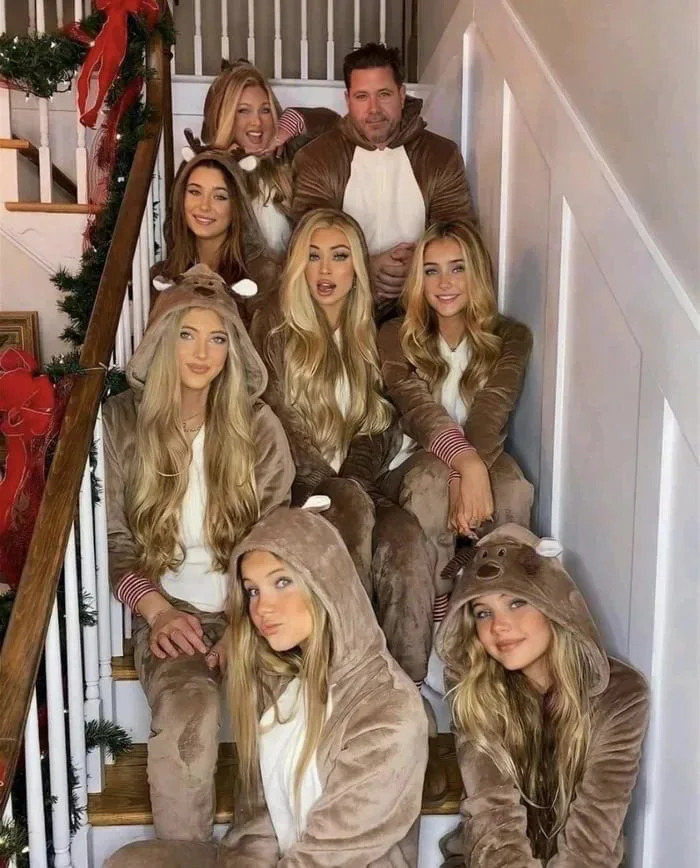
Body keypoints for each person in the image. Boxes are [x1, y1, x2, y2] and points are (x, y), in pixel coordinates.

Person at [104, 506, 429, 868]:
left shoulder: (390, 711)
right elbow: (258, 828)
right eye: (253, 591)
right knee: (131, 862)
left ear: (326, 581)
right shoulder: (281, 682)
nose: (262, 607)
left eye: (282, 582)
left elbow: (326, 858)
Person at [103, 264, 294, 842]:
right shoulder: (122, 422)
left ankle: (265, 848)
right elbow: (114, 541)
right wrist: (157, 611)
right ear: (164, 337)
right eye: (187, 334)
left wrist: (245, 622)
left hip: (251, 607)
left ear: (233, 350)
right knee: (190, 714)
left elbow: (276, 538)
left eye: (218, 338)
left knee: (283, 710)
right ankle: (184, 855)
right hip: (169, 611)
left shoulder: (257, 425)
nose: (202, 352)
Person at [249, 208, 437, 696]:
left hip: (362, 484)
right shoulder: (273, 330)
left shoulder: (374, 335)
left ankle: (404, 692)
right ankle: (341, 683)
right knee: (345, 515)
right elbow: (273, 420)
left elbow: (385, 423)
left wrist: (353, 479)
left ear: (357, 266)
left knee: (406, 540)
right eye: (313, 257)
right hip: (297, 491)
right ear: (298, 265)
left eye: (339, 256)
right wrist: (333, 488)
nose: (325, 270)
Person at [435, 523, 649, 866]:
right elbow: (492, 816)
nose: (498, 626)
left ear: (553, 605)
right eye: (483, 613)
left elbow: (594, 832)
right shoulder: (475, 689)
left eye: (516, 602)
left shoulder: (620, 696)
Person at [378, 220, 534, 612]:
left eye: (457, 268)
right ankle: (436, 613)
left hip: (482, 453)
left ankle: (504, 604)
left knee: (513, 487)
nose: (444, 283)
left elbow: (492, 410)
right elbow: (417, 409)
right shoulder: (394, 334)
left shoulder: (510, 337)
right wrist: (461, 467)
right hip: (410, 460)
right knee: (430, 484)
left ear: (476, 272)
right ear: (419, 279)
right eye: (431, 270)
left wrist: (467, 471)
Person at [291, 43, 475, 317]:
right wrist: (365, 266)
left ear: (402, 95)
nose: (373, 109)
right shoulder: (317, 157)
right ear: (348, 100)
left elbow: (459, 233)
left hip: (423, 306)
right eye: (362, 96)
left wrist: (420, 266)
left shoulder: (440, 155)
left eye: (384, 94)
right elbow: (306, 240)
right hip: (341, 307)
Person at [198, 59, 340, 254]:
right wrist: (229, 168)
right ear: (227, 117)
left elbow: (336, 126)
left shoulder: (290, 157)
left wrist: (290, 124)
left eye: (265, 110)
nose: (257, 122)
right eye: (243, 111)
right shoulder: (207, 169)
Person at [152, 149, 278, 322]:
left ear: (237, 206)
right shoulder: (162, 276)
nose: (204, 206)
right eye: (195, 192)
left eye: (219, 196)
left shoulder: (263, 274)